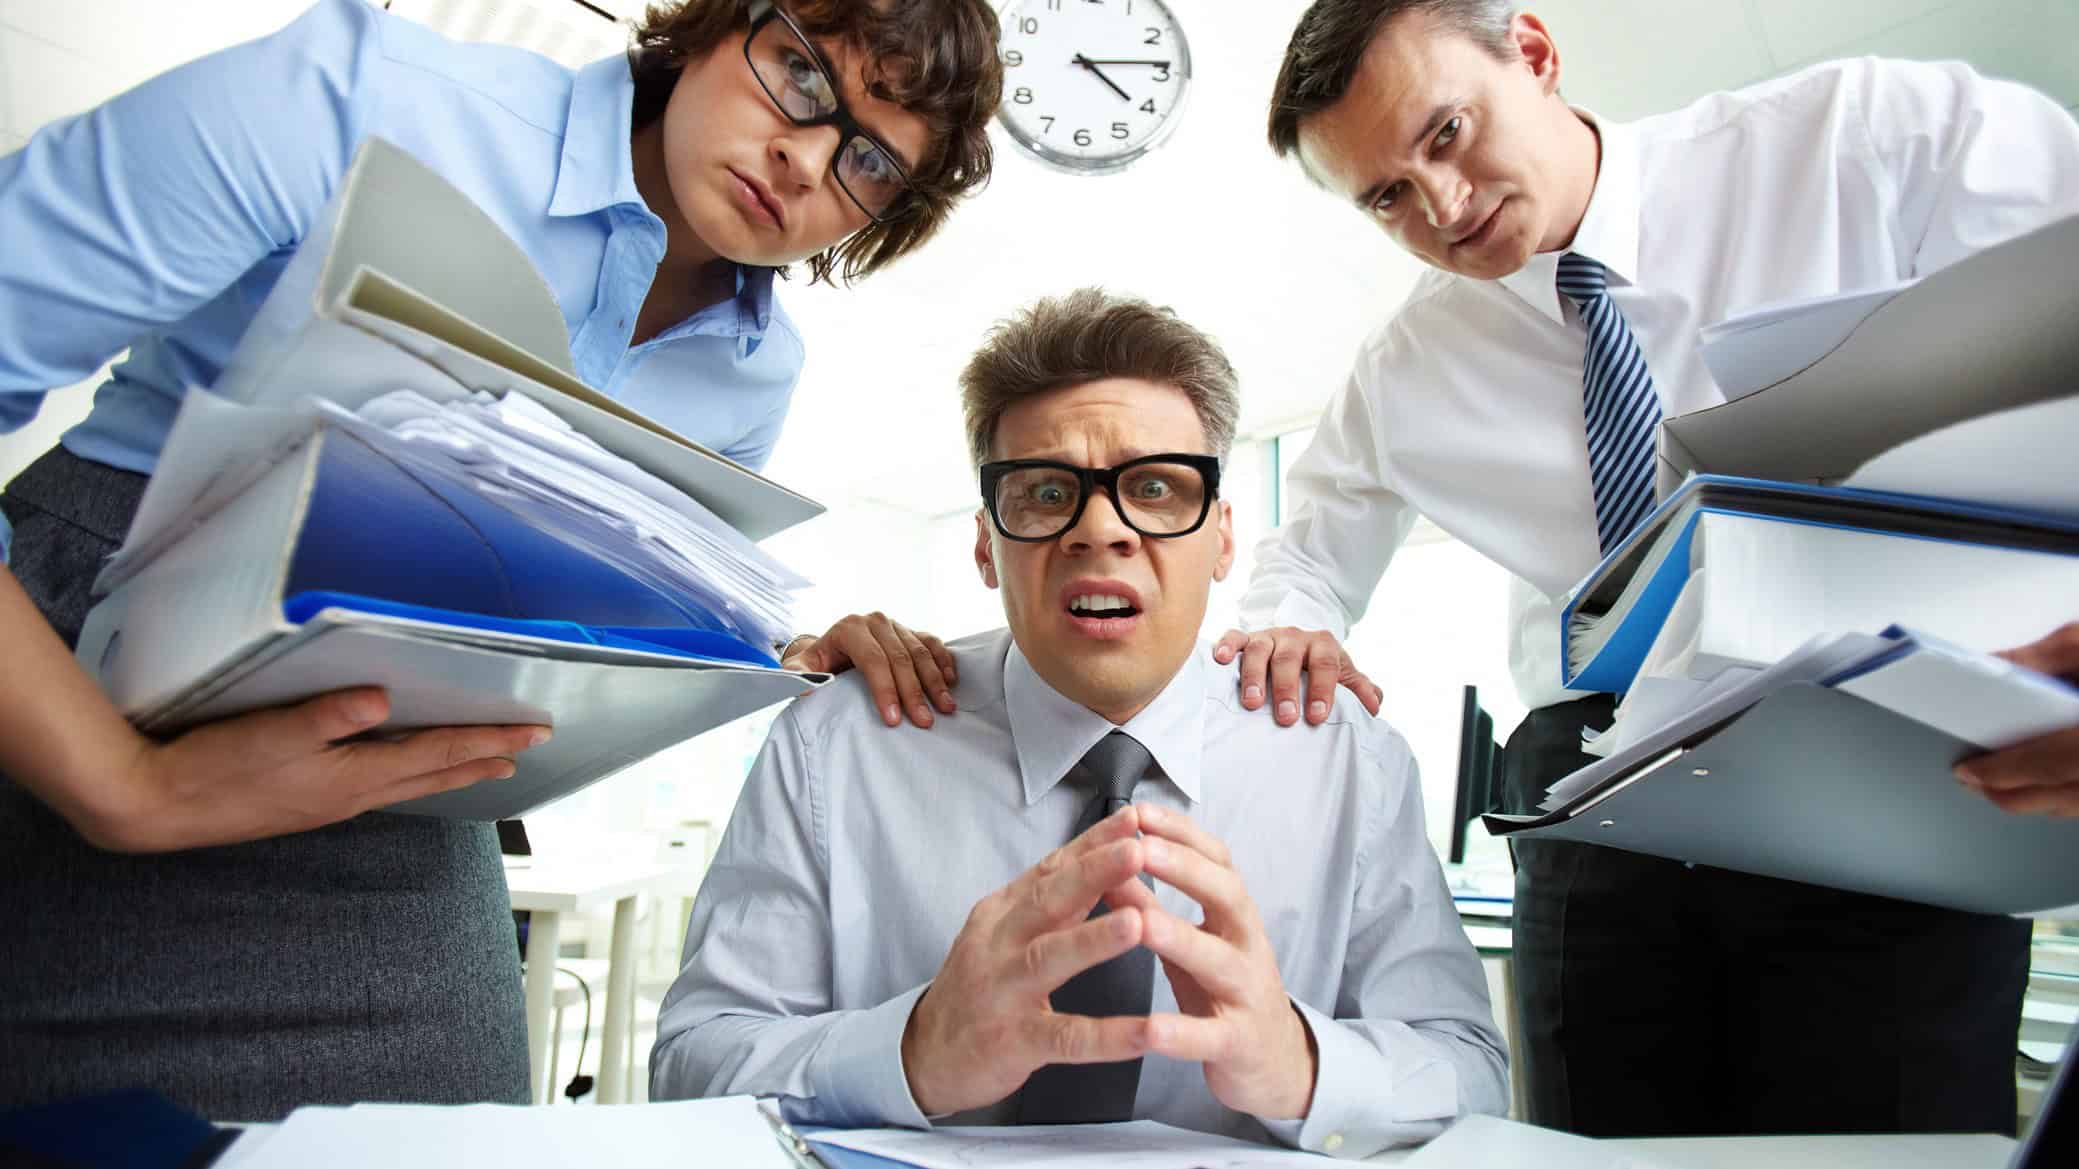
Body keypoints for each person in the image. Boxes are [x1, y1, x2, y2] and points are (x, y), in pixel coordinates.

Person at [0, 0, 1000, 1117]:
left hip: (384, 792)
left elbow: (583, 610)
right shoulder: (367, 93)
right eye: (803, 78)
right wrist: (119, 781)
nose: (805, 160)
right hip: (65, 675)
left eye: (868, 161)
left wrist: (768, 652)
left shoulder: (753, 379)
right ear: (717, 26)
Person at [1216, 0, 2079, 1138]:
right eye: (1387, 197)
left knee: (1888, 1140)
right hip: (1599, 798)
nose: (1443, 207)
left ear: (1532, 52)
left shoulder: (1867, 139)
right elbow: (1307, 557)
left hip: (1880, 759)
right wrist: (1290, 620)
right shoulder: (1408, 367)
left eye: (1445, 136)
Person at [649, 289, 1507, 1159]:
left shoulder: (1344, 758)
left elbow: (1469, 1067)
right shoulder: (838, 744)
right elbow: (690, 1062)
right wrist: (909, 1054)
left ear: (1221, 539)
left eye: (1158, 488)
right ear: (986, 546)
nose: (1100, 530)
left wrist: (1302, 1065)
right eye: (1045, 491)